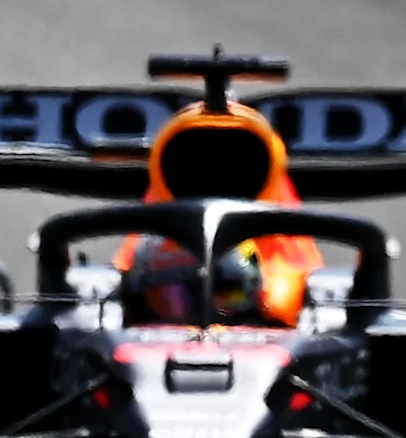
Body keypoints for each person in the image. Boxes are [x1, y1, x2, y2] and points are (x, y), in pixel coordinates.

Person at [121, 102, 320, 326]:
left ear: (254, 288)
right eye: (175, 298)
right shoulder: (144, 254)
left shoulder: (282, 285)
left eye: (227, 294)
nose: (203, 318)